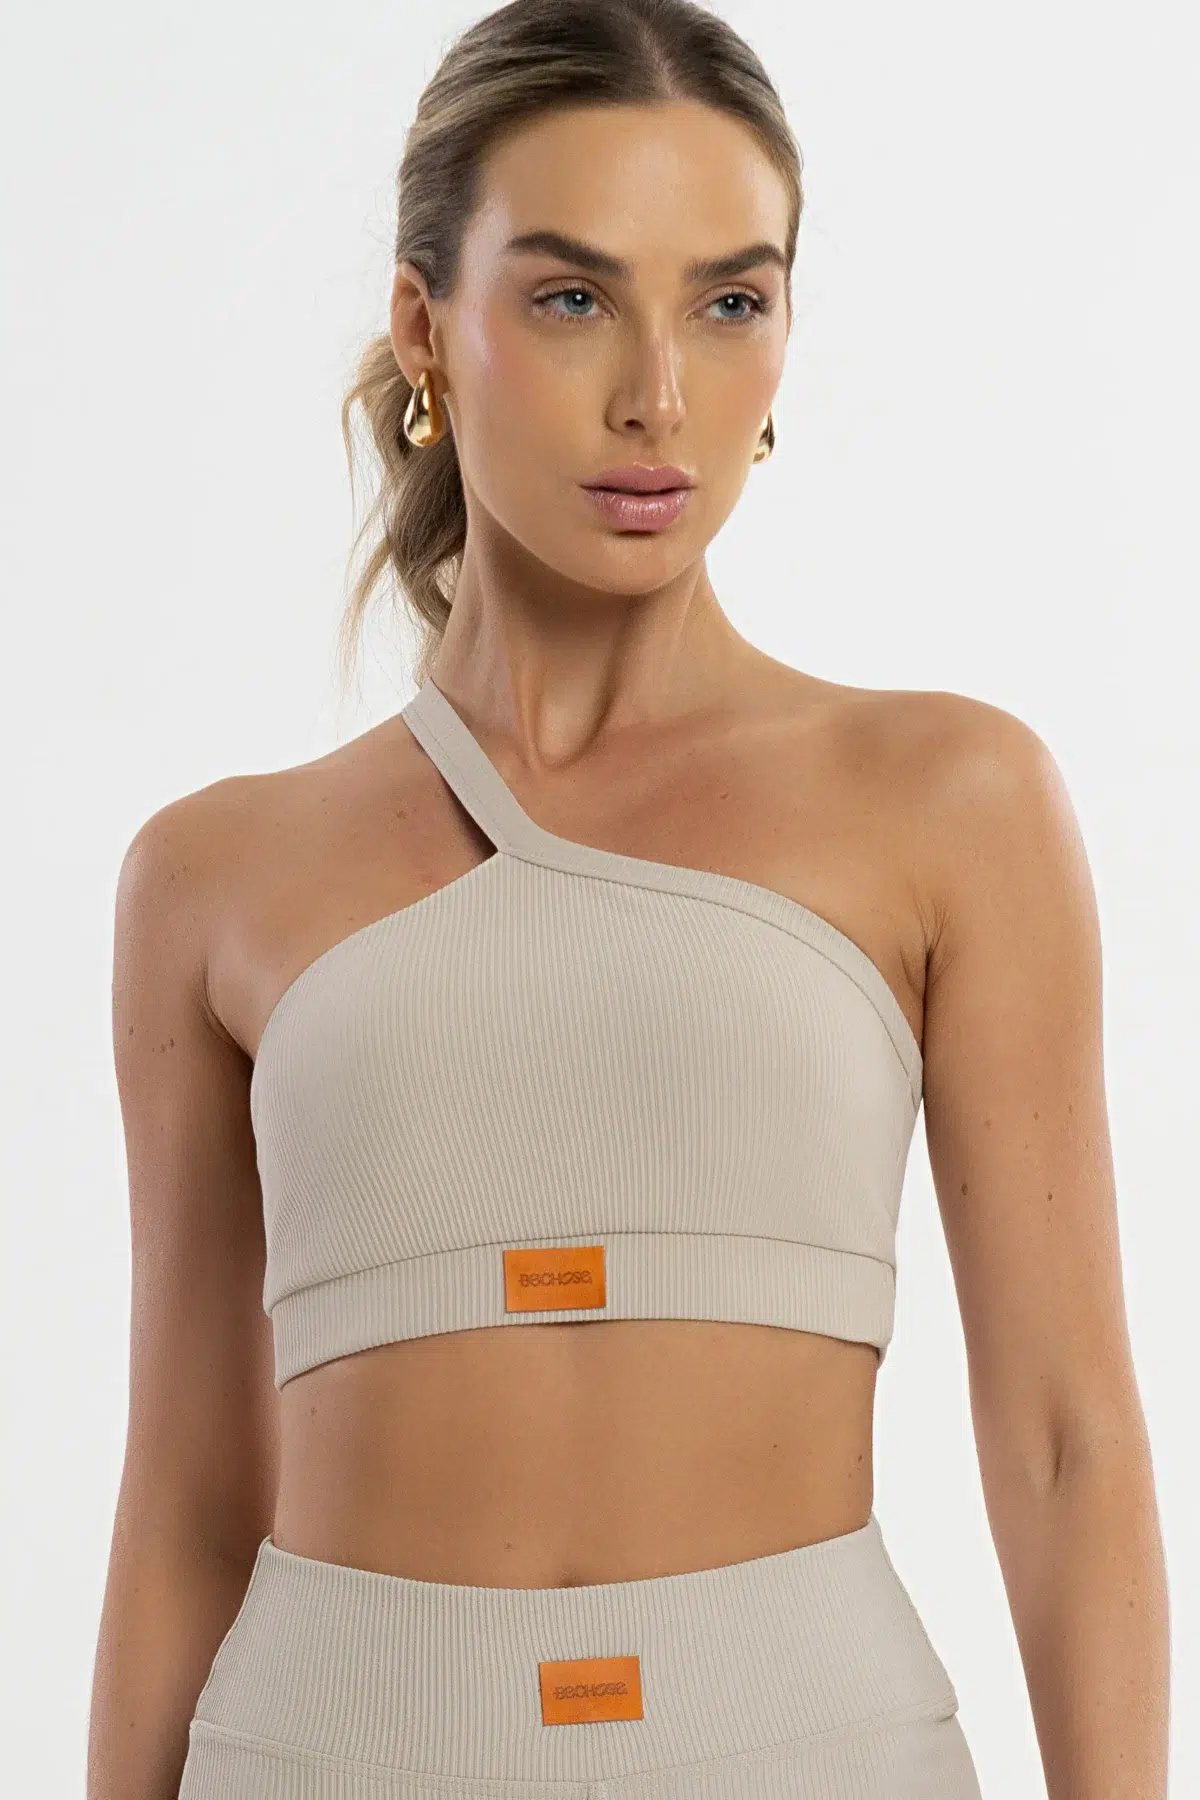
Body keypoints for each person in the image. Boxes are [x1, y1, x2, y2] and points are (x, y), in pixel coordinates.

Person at [87, 2, 1169, 1796]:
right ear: (427, 330)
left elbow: (1068, 1445)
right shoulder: (212, 877)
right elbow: (188, 1507)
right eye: (574, 296)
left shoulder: (950, 803)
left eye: (730, 302)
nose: (659, 394)